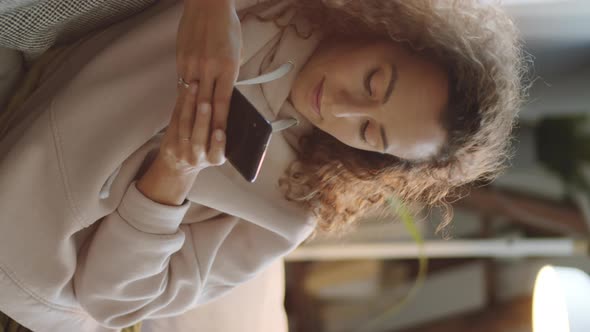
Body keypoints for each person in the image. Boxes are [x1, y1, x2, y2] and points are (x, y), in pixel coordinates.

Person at [0, 0, 526, 331]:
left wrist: (168, 183)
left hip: (22, 262)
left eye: (370, 133)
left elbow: (116, 304)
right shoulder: (274, 11)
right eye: (373, 82)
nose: (340, 109)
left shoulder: (289, 208)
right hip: (27, 88)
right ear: (385, 29)